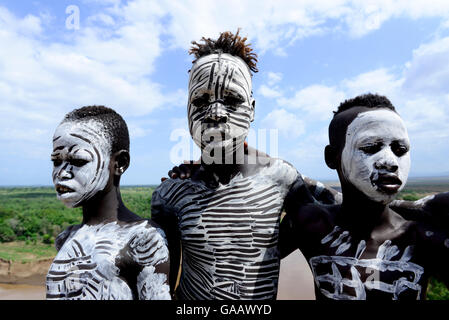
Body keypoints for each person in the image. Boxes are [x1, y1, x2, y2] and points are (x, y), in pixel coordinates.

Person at [151, 30, 340, 300]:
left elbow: (344, 213)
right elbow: (163, 286)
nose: (215, 113)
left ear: (252, 109)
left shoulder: (282, 179)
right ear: (187, 111)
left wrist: (267, 246)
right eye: (201, 101)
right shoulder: (170, 193)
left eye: (231, 100)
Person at [280, 94, 449, 300]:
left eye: (400, 149)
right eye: (370, 147)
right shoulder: (313, 224)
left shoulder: (425, 238)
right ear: (332, 157)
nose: (390, 161)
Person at [46, 106, 170, 300]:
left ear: (119, 163)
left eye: (78, 161)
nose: (62, 173)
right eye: (56, 161)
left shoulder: (142, 239)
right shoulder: (67, 238)